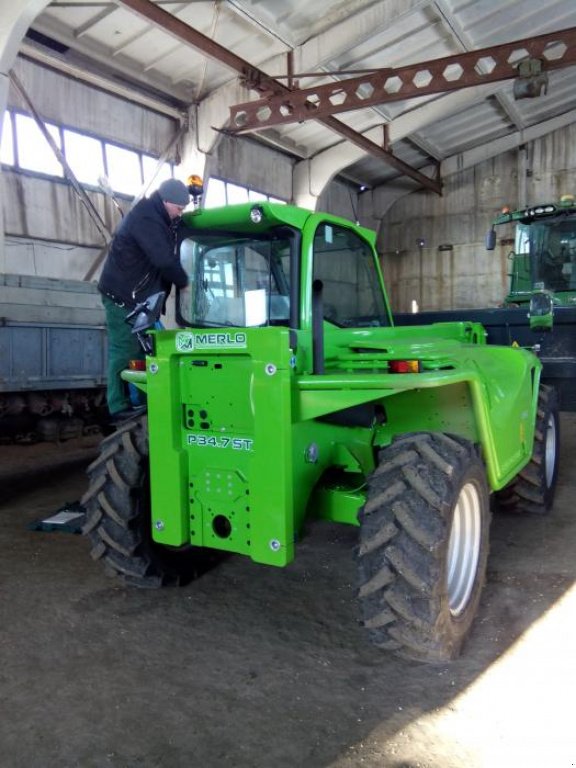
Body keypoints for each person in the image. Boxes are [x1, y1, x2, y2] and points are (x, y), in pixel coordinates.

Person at [98, 178, 190, 423]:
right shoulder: (146, 218)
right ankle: (117, 407)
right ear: (166, 201)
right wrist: (185, 282)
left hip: (140, 301)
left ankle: (144, 401)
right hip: (122, 297)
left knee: (149, 350)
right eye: (179, 209)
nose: (180, 213)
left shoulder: (161, 219)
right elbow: (163, 259)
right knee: (124, 349)